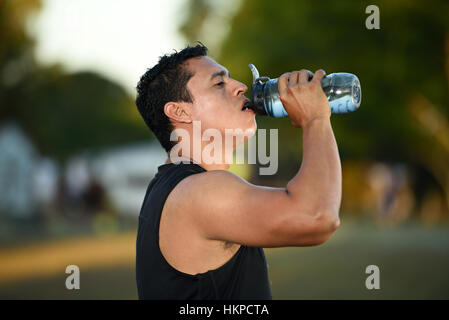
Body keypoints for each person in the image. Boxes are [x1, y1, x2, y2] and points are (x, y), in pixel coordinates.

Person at [135, 44, 341, 299]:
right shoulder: (199, 191)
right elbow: (317, 217)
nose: (241, 86)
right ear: (179, 111)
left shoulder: (175, 187)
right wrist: (315, 120)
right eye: (219, 84)